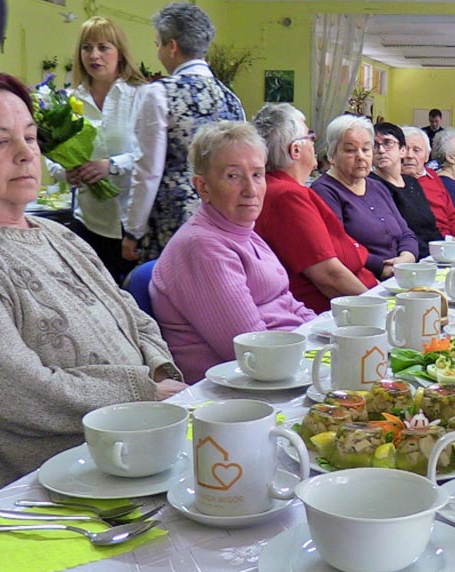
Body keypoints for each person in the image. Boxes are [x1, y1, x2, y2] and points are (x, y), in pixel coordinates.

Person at [0, 74, 185, 496]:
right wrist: (143, 391)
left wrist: (160, 373)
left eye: (31, 138)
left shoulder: (61, 236)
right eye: (1, 141)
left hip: (138, 453)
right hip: (57, 489)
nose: (24, 153)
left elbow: (133, 316)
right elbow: (19, 393)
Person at [150, 121, 315, 383]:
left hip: (283, 366)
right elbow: (251, 350)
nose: (250, 190)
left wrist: (322, 336)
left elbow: (289, 302)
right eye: (233, 176)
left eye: (258, 174)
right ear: (203, 187)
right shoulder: (203, 248)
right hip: (241, 391)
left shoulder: (242, 230)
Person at [124, 2, 245, 263]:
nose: (158, 51)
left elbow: (148, 171)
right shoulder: (231, 98)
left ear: (172, 46)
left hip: (174, 222)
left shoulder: (159, 93)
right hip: (224, 219)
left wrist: (133, 229)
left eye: (158, 44)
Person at [45, 17, 145, 283]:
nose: (94, 55)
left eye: (103, 47)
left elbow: (151, 156)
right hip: (88, 222)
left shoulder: (140, 95)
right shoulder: (69, 99)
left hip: (131, 225)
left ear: (120, 52)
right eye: (87, 48)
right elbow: (50, 153)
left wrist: (111, 165)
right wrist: (66, 173)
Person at [253, 103, 378, 313]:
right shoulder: (287, 196)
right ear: (295, 150)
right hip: (334, 315)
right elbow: (329, 276)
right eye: (310, 136)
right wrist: (380, 311)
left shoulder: (284, 189)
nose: (314, 142)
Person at [313, 115, 418, 279]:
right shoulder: (324, 191)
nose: (361, 156)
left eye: (366, 149)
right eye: (350, 150)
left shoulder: (377, 186)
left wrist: (406, 258)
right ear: (332, 155)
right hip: (365, 281)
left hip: (401, 273)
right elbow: (341, 246)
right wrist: (381, 267)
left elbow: (406, 233)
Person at [369, 121, 441, 258]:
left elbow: (431, 225)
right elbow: (395, 234)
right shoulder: (371, 184)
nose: (381, 150)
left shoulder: (411, 181)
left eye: (388, 143)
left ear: (402, 150)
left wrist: (443, 252)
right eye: (375, 145)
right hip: (408, 257)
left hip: (433, 255)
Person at [402, 126, 455, 239]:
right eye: (405, 149)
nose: (409, 155)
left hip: (449, 243)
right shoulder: (394, 183)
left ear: (426, 157)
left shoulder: (433, 176)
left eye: (416, 150)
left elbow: (452, 216)